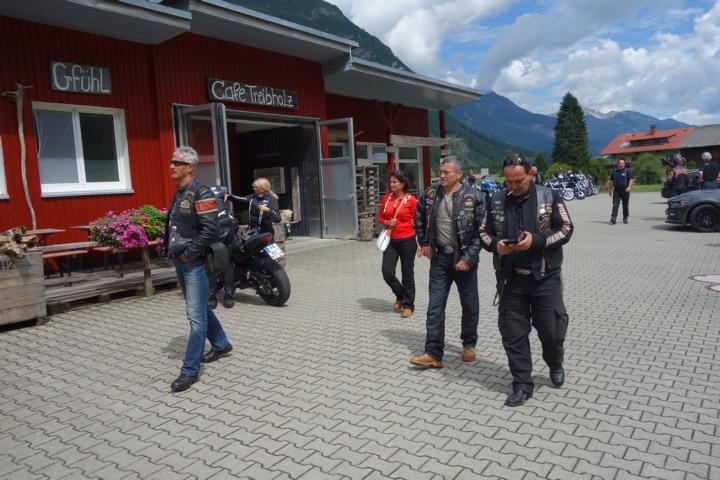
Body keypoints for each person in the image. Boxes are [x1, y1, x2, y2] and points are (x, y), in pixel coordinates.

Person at [479, 153, 573, 407]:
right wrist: (496, 245)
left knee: (552, 331)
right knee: (513, 334)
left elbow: (566, 229)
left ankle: (555, 362)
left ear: (530, 174)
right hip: (511, 280)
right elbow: (483, 232)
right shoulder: (496, 199)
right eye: (508, 181)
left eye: (518, 181)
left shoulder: (549, 196)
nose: (513, 186)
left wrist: (537, 241)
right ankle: (521, 383)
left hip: (545, 278)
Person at [164, 146, 232, 393]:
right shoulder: (180, 193)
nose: (172, 166)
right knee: (200, 308)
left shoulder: (201, 193)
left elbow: (211, 230)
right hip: (181, 260)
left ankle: (190, 370)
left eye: (177, 162)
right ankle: (221, 344)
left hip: (193, 262)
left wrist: (189, 254)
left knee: (195, 319)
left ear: (191, 167)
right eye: (171, 162)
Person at [410, 155, 485, 368]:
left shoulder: (475, 196)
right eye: (440, 171)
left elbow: (482, 232)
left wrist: (469, 258)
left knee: (469, 304)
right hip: (440, 259)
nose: (441, 175)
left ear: (459, 174)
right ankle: (433, 353)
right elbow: (419, 219)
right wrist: (424, 242)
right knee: (435, 305)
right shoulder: (430, 194)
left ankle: (469, 344)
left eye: (446, 172)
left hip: (464, 260)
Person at [378, 171, 418, 318]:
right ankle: (400, 295)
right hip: (390, 240)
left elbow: (418, 220)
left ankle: (408, 305)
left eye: (395, 182)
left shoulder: (411, 200)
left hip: (407, 240)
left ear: (402, 183)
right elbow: (380, 216)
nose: (391, 184)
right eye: (391, 182)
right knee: (387, 272)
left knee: (407, 273)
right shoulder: (386, 198)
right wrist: (387, 222)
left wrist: (421, 241)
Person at [607, 158, 634, 224]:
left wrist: (629, 187)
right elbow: (611, 181)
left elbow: (631, 179)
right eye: (621, 163)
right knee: (615, 205)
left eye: (623, 163)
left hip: (625, 191)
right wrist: (610, 190)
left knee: (625, 205)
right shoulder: (614, 172)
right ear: (618, 164)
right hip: (616, 191)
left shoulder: (627, 171)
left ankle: (625, 218)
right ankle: (613, 218)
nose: (622, 164)